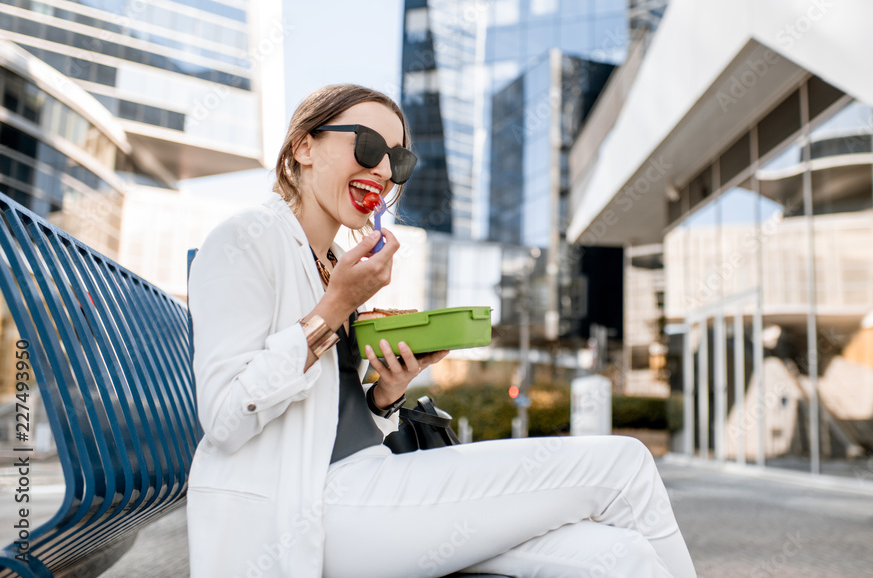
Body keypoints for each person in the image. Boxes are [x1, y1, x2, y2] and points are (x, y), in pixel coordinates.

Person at [185, 84, 697, 578]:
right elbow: (227, 417)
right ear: (304, 147)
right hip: (307, 509)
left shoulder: (332, 262)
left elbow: (327, 420)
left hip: (365, 491)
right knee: (623, 464)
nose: (384, 170)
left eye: (398, 160)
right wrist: (336, 306)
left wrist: (385, 395)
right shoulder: (245, 239)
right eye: (367, 145)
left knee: (619, 555)